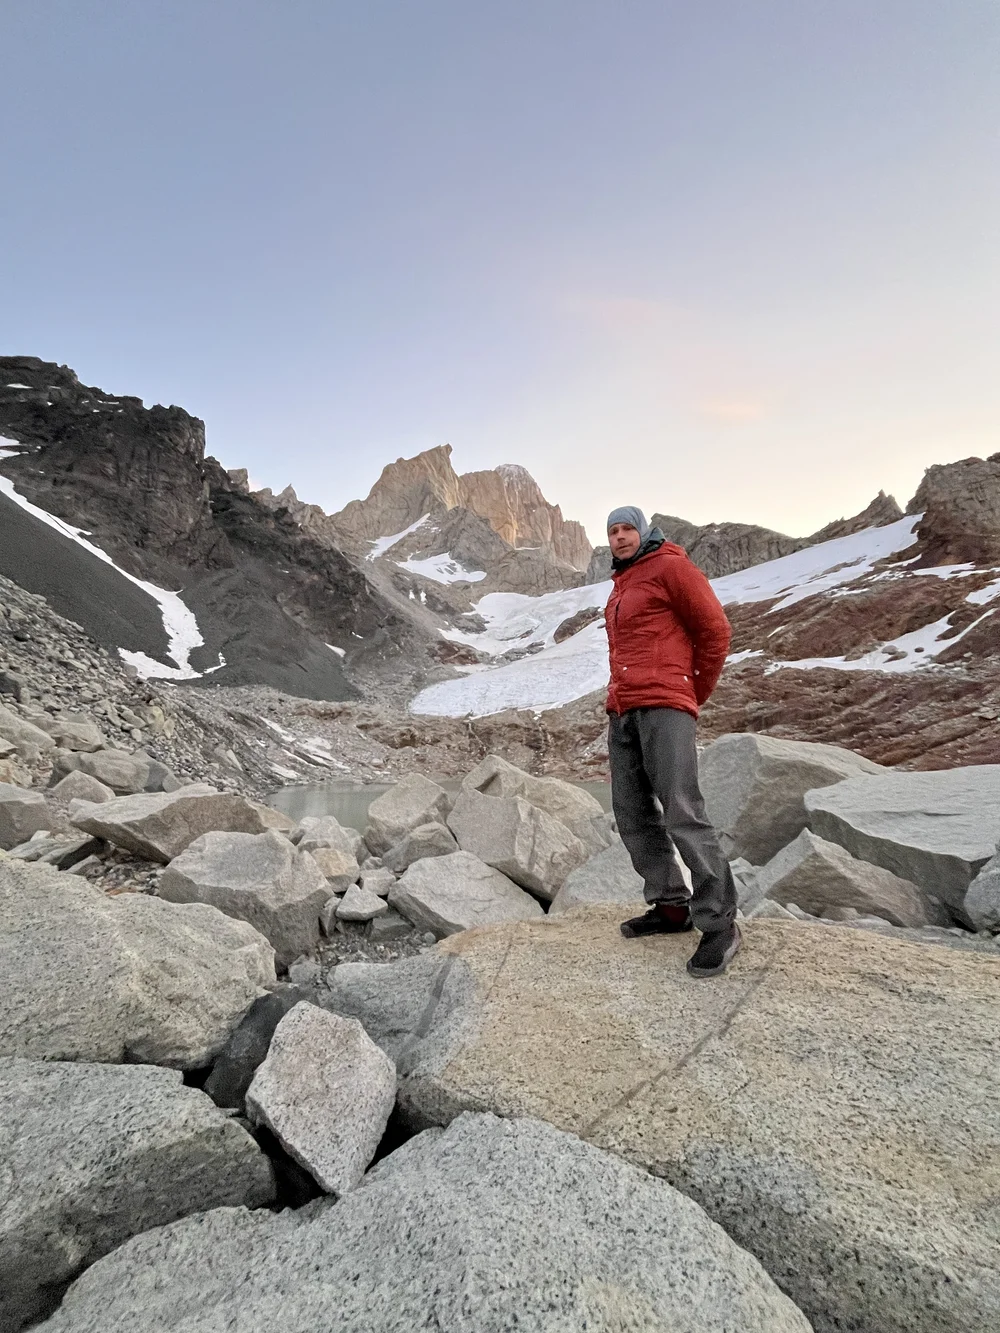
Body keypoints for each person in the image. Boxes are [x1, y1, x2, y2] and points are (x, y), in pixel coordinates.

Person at [604, 505, 740, 977]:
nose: (620, 537)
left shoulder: (671, 567)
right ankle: (671, 906)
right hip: (623, 710)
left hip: (665, 706)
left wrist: (689, 693)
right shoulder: (623, 583)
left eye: (627, 529)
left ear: (643, 532)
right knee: (632, 812)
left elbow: (715, 630)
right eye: (613, 531)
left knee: (682, 809)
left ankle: (720, 923)